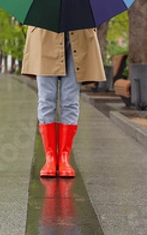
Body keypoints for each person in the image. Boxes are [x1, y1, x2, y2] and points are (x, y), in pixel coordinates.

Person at [22, 26, 105, 177]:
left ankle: (64, 158)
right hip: (45, 32)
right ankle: (50, 159)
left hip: (79, 33)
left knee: (70, 99)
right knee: (47, 98)